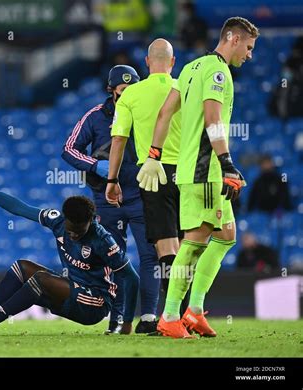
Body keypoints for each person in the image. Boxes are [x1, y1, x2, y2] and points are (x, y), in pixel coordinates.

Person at [139, 17, 259, 338]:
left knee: (226, 234)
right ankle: (169, 316)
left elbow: (165, 113)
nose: (249, 55)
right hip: (205, 171)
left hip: (200, 170)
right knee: (194, 242)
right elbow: (212, 117)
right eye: (248, 47)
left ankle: (193, 311)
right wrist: (227, 162)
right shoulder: (218, 72)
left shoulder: (190, 69)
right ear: (232, 39)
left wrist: (154, 155)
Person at [0, 183, 139, 336]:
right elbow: (18, 208)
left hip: (94, 303)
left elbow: (130, 278)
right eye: (70, 231)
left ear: (92, 221)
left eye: (79, 232)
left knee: (41, 280)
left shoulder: (103, 240)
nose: (74, 236)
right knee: (22, 267)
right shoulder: (57, 221)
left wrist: (124, 321)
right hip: (72, 290)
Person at [62, 65, 159, 335]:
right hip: (106, 199)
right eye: (122, 91)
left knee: (149, 256)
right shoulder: (94, 117)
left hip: (143, 195)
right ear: (111, 91)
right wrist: (95, 165)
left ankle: (149, 316)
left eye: (132, 90)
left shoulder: (147, 113)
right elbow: (68, 149)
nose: (127, 96)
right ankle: (116, 321)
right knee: (112, 259)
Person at [106, 39, 184, 325]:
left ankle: (175, 316)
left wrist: (112, 179)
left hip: (153, 173)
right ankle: (188, 313)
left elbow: (118, 140)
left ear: (148, 63)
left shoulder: (131, 95)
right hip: (188, 173)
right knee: (189, 246)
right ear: (172, 62)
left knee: (166, 248)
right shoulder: (184, 88)